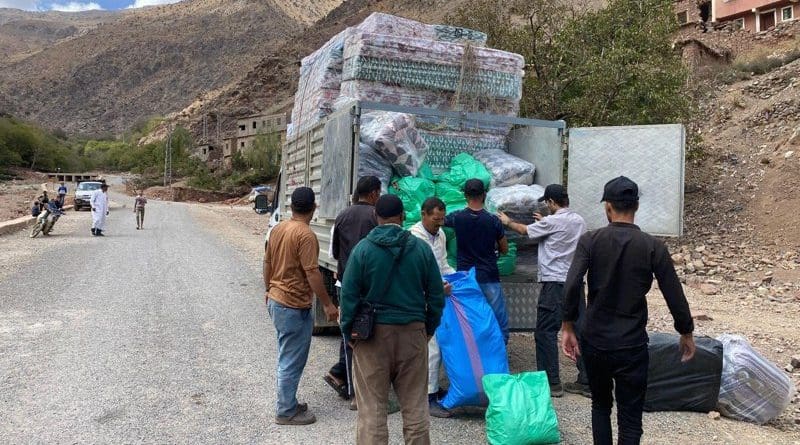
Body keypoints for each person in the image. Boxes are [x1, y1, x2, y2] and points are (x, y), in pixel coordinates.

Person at [561, 176, 696, 445]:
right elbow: (674, 293)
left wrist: (568, 325)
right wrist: (686, 332)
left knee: (600, 405)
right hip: (632, 344)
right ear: (635, 207)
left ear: (608, 207)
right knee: (630, 416)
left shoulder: (591, 240)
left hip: (595, 341)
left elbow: (572, 284)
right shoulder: (653, 246)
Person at [339, 194, 445, 445]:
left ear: (376, 217)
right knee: (416, 408)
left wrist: (349, 334)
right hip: (413, 334)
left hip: (372, 338)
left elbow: (349, 296)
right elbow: (437, 295)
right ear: (403, 217)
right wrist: (427, 329)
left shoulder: (363, 250)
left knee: (373, 409)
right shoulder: (420, 249)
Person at [498, 184, 588, 398]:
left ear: (551, 202)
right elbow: (558, 234)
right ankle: (587, 381)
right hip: (576, 283)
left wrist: (507, 221)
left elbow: (525, 231)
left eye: (547, 203)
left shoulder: (552, 221)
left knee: (546, 331)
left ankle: (552, 382)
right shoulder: (580, 221)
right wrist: (544, 224)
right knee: (580, 331)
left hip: (554, 284)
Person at [263, 186, 338, 426]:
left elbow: (267, 262)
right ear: (313, 208)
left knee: (288, 355)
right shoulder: (305, 235)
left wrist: (268, 289)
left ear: (291, 206)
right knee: (291, 359)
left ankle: (289, 402)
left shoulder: (278, 229)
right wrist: (327, 303)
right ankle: (285, 411)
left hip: (277, 300)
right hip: (292, 304)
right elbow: (313, 273)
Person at [325, 176, 381, 404]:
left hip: (346, 284)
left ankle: (345, 379)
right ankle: (358, 390)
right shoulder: (376, 217)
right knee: (368, 334)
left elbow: (335, 253)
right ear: (375, 194)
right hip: (369, 285)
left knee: (349, 332)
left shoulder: (342, 215)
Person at [444, 178, 510, 344]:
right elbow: (505, 249)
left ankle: (473, 354)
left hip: (465, 277)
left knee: (469, 318)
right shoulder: (493, 220)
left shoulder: (457, 218)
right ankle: (499, 353)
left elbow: (438, 222)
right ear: (484, 195)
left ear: (465, 196)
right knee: (496, 317)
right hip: (489, 275)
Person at [409, 197, 455, 418]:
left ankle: (432, 388)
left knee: (438, 345)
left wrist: (457, 277)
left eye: (442, 220)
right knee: (432, 347)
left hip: (436, 297)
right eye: (435, 220)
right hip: (420, 299)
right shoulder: (415, 237)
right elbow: (416, 274)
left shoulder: (441, 235)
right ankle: (428, 396)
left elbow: (442, 264)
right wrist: (438, 287)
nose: (439, 224)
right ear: (423, 215)